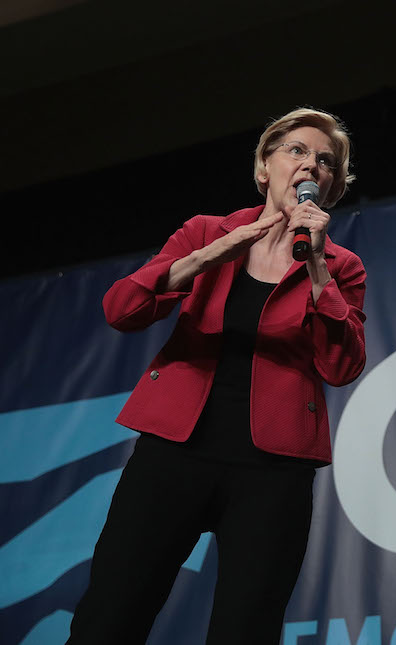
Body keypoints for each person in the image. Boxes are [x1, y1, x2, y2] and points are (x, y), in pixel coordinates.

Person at [67, 108, 367, 644]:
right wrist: (208, 256)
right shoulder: (207, 232)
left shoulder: (342, 265)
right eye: (296, 150)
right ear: (265, 167)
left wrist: (318, 266)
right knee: (111, 615)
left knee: (246, 629)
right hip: (174, 451)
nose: (310, 165)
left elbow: (341, 367)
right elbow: (122, 309)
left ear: (332, 187)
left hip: (273, 469)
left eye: (326, 161)